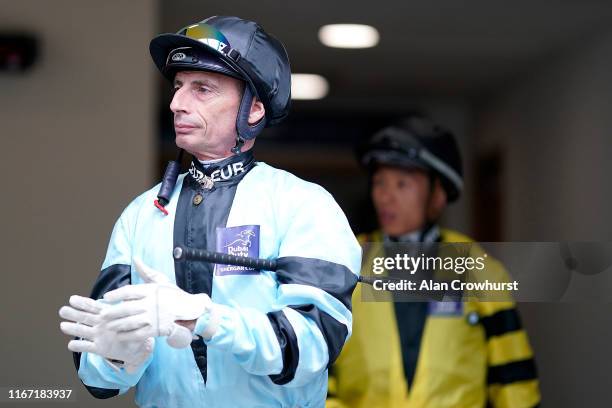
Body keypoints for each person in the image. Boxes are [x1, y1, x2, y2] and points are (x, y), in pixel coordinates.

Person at [58, 16, 361, 407]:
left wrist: (211, 320)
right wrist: (118, 357)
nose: (176, 103)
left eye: (202, 89)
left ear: (253, 110)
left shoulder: (304, 205)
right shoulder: (140, 215)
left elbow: (313, 348)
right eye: (179, 86)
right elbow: (100, 381)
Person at [327, 116, 541, 407]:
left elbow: (513, 379)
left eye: (402, 184)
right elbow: (319, 366)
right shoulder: (347, 261)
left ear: (438, 195)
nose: (385, 197)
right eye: (379, 183)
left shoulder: (477, 268)